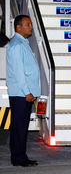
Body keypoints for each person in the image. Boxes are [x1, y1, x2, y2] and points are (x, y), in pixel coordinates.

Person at [6, 15, 41, 167]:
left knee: (21, 127)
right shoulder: (17, 45)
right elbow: (19, 73)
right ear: (18, 27)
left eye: (31, 24)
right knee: (19, 127)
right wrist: (27, 92)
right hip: (21, 94)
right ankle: (18, 158)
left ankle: (21, 156)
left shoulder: (23, 43)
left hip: (25, 93)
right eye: (28, 24)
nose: (31, 27)